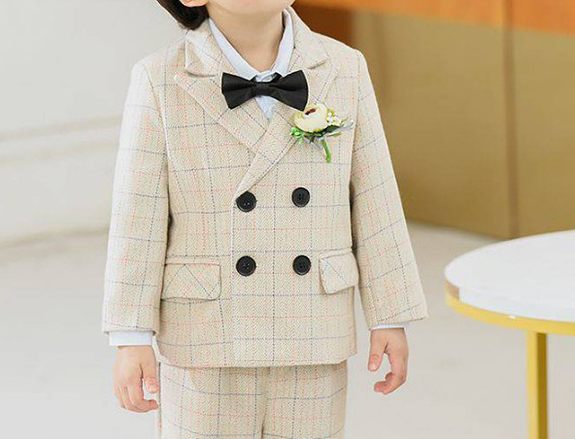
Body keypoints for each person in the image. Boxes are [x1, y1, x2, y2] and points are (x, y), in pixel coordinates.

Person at [102, 1, 428, 437]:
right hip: (208, 331)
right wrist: (131, 336)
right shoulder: (161, 77)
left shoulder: (343, 67)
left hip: (312, 324)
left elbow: (375, 197)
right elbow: (137, 213)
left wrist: (389, 316)